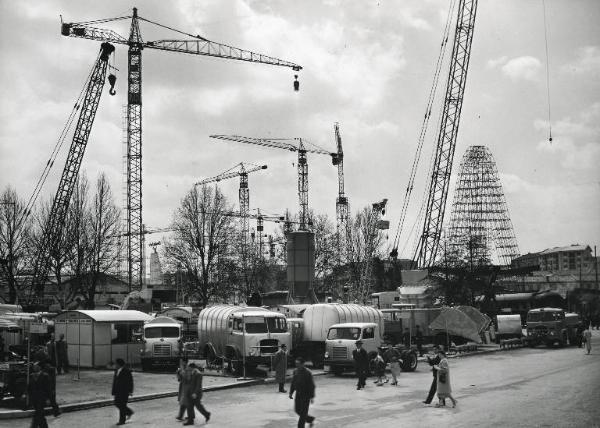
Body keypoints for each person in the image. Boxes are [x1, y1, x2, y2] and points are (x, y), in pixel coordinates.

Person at [289, 357, 315, 428]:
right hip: (298, 394)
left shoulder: (308, 373)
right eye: (296, 364)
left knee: (303, 413)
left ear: (303, 364)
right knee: (297, 410)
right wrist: (291, 392)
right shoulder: (295, 371)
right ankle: (310, 419)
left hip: (306, 395)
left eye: (298, 364)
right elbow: (293, 382)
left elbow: (311, 385)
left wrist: (312, 397)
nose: (296, 365)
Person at [112, 358, 134, 425]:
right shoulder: (116, 370)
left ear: (119, 364)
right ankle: (129, 412)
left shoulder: (126, 371)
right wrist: (113, 391)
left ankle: (122, 421)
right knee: (117, 403)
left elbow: (130, 382)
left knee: (122, 405)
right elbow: (115, 381)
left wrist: (130, 391)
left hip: (124, 391)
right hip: (117, 391)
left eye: (116, 363)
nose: (115, 365)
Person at [29, 363, 51, 428]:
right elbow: (29, 386)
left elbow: (48, 388)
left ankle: (33, 426)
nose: (34, 368)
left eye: (36, 366)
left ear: (39, 367)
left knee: (38, 412)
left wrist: (48, 398)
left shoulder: (45, 376)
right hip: (34, 398)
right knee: (40, 414)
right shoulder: (31, 376)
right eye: (34, 367)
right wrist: (26, 394)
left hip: (42, 398)